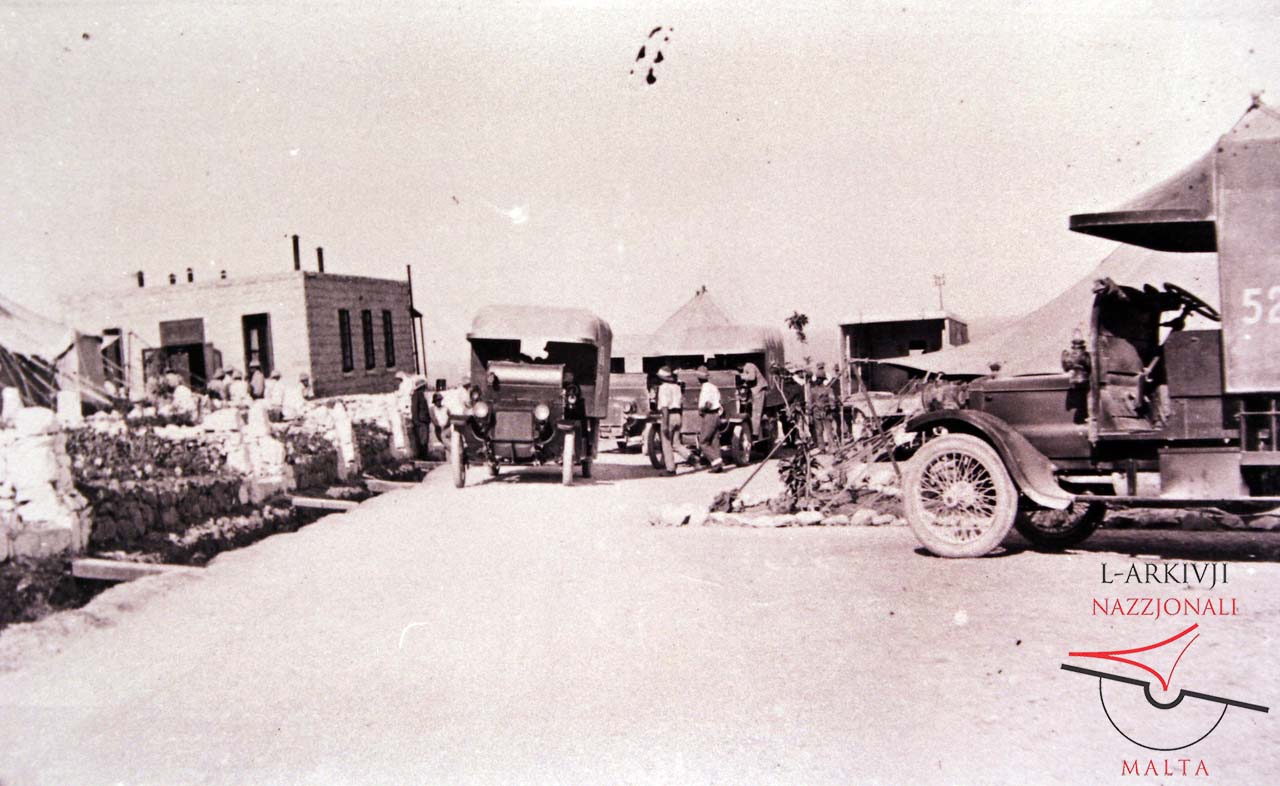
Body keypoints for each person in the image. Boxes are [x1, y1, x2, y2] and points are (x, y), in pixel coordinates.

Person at [655, 365, 691, 476]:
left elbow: (665, 407)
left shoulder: (663, 388)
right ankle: (691, 457)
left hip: (668, 416)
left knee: (666, 444)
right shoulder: (677, 387)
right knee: (676, 443)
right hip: (677, 415)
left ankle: (670, 469)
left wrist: (664, 423)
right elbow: (680, 404)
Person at [695, 365, 725, 473]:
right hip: (716, 414)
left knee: (703, 441)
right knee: (714, 440)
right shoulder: (713, 387)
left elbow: (707, 403)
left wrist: (701, 410)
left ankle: (716, 461)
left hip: (709, 415)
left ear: (699, 378)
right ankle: (718, 466)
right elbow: (719, 400)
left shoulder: (705, 388)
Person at [810, 363, 837, 452]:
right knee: (819, 431)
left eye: (819, 379)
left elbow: (832, 400)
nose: (817, 380)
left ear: (822, 380)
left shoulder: (829, 389)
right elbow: (811, 402)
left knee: (829, 430)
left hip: (826, 412)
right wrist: (810, 411)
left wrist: (830, 407)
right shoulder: (813, 390)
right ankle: (821, 448)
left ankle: (832, 447)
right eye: (817, 379)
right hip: (816, 412)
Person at [738, 359, 767, 439]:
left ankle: (755, 435)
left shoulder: (749, 365)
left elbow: (752, 377)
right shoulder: (746, 367)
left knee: (756, 412)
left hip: (758, 389)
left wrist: (741, 376)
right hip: (753, 390)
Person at [410, 377, 433, 459]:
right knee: (422, 439)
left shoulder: (421, 395)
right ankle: (423, 456)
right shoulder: (417, 395)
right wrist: (416, 421)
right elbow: (415, 409)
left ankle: (424, 456)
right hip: (420, 421)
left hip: (424, 420)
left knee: (425, 438)